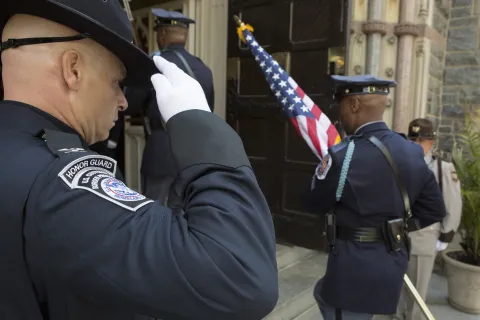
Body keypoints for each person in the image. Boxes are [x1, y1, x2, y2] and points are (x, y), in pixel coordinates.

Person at [0, 1, 278, 319]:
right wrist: (201, 126)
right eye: (117, 83)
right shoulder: (59, 185)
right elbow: (242, 276)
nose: (122, 101)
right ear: (72, 70)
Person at [307, 75, 447, 320]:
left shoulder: (343, 155)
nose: (340, 115)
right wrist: (394, 227)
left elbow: (313, 202)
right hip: (391, 260)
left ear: (354, 105)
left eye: (341, 105)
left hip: (352, 267)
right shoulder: (411, 151)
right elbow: (434, 209)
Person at [128, 9, 215, 204]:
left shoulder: (153, 63)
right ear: (184, 36)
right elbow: (208, 110)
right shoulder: (203, 69)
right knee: (182, 212)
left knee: (153, 208)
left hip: (161, 149)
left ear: (162, 34)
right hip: (193, 153)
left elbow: (130, 105)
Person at [395, 118, 463, 320]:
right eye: (412, 140)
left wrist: (446, 235)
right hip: (398, 233)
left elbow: (453, 203)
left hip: (424, 235)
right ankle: (397, 315)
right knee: (398, 282)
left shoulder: (442, 167)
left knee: (417, 287)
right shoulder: (400, 164)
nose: (416, 145)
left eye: (421, 141)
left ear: (431, 142)